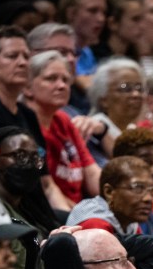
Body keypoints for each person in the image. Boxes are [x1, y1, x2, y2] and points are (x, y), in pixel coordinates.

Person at [0, 26, 72, 212]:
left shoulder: (27, 113)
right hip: (6, 210)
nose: (22, 63)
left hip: (40, 210)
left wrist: (70, 219)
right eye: (12, 56)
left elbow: (46, 183)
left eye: (26, 56)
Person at [24, 50, 100, 204]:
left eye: (66, 80)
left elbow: (91, 172)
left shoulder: (63, 119)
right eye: (51, 78)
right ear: (27, 87)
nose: (61, 86)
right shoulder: (24, 124)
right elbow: (46, 189)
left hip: (80, 207)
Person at [86, 57, 146, 162]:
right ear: (104, 100)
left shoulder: (133, 130)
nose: (136, 94)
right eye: (126, 88)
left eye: (139, 88)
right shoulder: (93, 131)